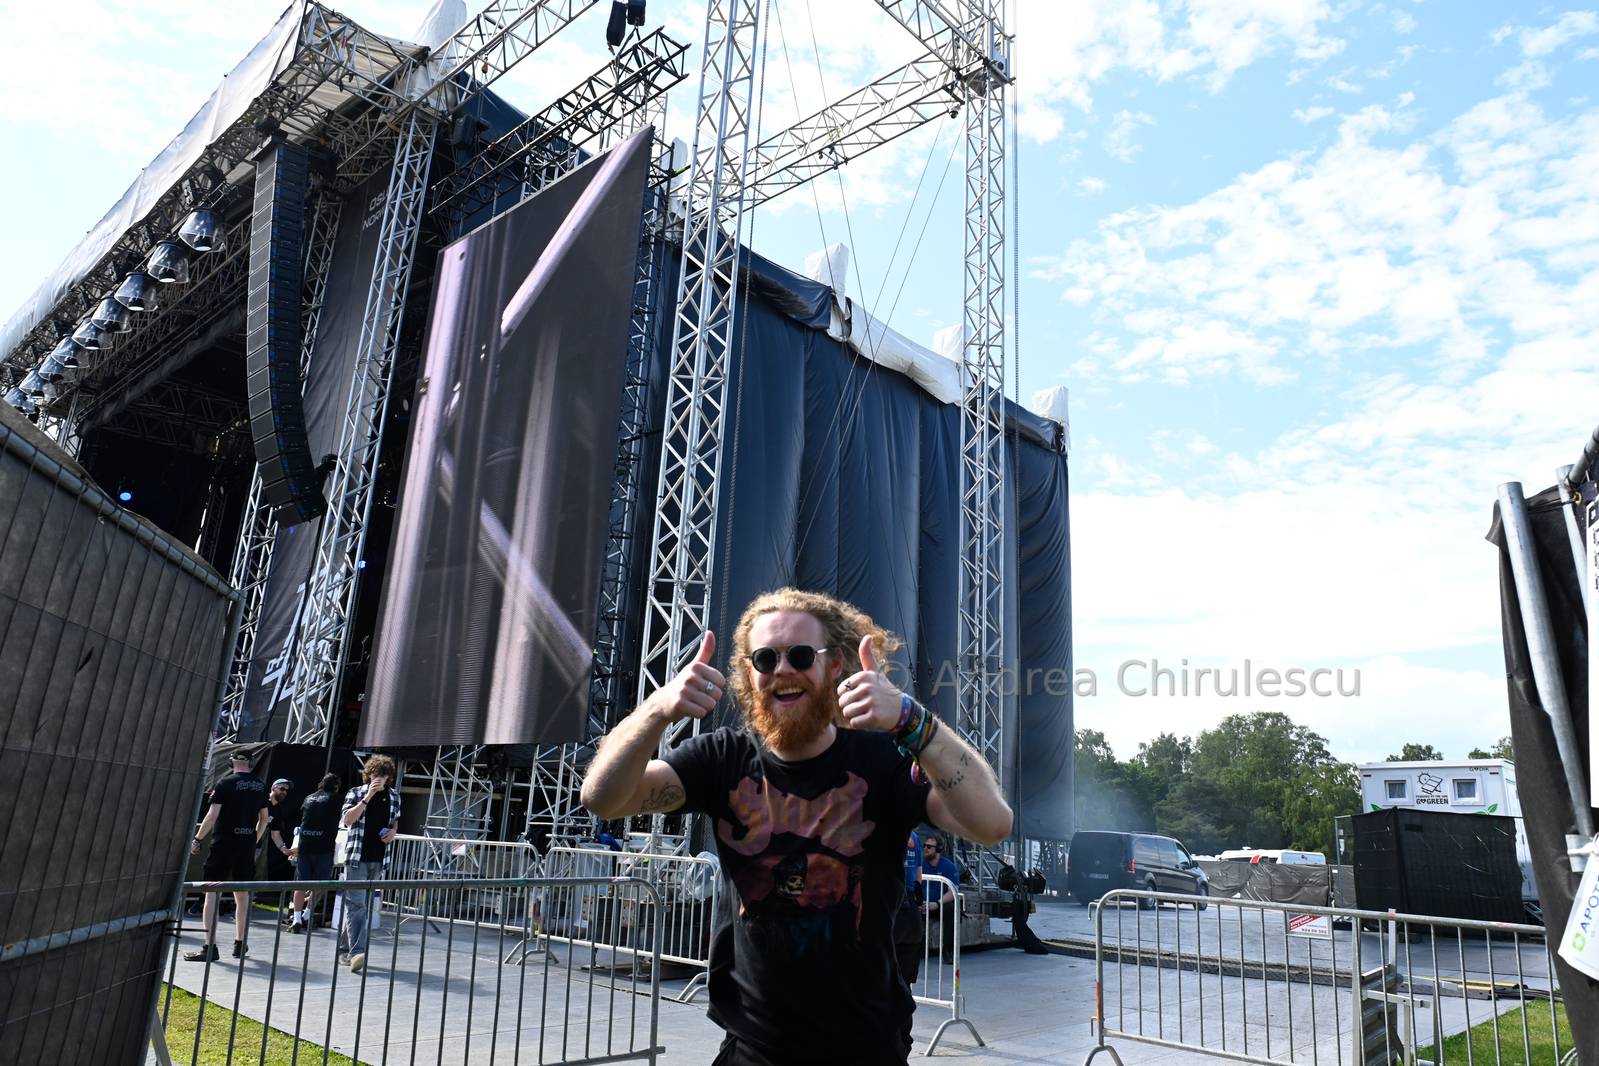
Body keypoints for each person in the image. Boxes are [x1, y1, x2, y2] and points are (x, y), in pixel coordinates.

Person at [581, 588, 1013, 1066]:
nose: (783, 669)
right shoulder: (721, 760)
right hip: (753, 1051)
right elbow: (602, 799)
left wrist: (913, 720)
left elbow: (993, 824)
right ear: (750, 674)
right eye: (766, 658)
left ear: (834, 665)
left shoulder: (882, 762)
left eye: (801, 655)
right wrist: (657, 709)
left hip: (867, 1050)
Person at [186, 751, 270, 961]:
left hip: (224, 843)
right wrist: (254, 839)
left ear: (231, 762)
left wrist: (197, 839)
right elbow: (264, 819)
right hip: (246, 844)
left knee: (212, 893)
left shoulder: (224, 783)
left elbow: (212, 815)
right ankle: (240, 943)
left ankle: (210, 947)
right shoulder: (260, 785)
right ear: (251, 763)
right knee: (242, 895)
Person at [340, 755, 401, 972]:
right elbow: (348, 820)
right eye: (375, 774)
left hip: (379, 858)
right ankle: (357, 953)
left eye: (383, 775)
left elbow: (395, 822)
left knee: (360, 907)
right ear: (368, 774)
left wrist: (393, 832)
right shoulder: (356, 792)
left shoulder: (394, 796)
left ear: (389, 777)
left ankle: (344, 950)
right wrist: (368, 797)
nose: (379, 778)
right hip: (356, 858)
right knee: (357, 906)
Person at [288, 773, 342, 933]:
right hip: (323, 847)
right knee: (321, 884)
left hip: (305, 844)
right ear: (336, 787)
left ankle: (297, 919)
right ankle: (307, 915)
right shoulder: (337, 798)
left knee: (301, 883)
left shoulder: (309, 797)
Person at [893, 830, 924, 1054]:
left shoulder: (879, 828)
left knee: (882, 983)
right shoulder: (914, 836)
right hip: (912, 915)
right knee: (904, 986)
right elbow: (919, 878)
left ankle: (891, 1046)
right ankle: (904, 1046)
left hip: (892, 910)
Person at [919, 834, 960, 957]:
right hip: (922, 904)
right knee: (910, 909)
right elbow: (913, 885)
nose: (925, 849)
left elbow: (953, 891)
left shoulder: (949, 866)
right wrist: (917, 901)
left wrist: (937, 903)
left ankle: (948, 951)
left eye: (929, 846)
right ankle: (919, 949)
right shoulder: (920, 865)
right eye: (925, 845)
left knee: (950, 909)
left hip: (939, 905)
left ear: (938, 849)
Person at [265, 778, 296, 886]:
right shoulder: (261, 800)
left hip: (256, 843)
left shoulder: (279, 810)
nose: (284, 792)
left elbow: (276, 834)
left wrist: (284, 849)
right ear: (273, 788)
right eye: (282, 789)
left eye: (286, 790)